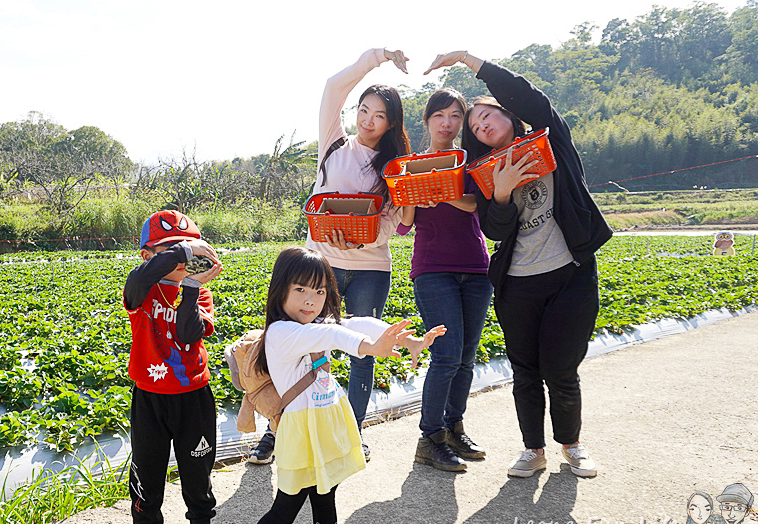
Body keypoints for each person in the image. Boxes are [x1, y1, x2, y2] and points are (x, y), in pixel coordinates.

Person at [423, 50, 612, 479]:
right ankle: (532, 449)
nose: (481, 125)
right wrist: (503, 192)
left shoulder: (552, 141)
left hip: (570, 274)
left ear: (509, 114)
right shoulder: (486, 172)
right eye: (474, 126)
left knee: (562, 370)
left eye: (486, 115)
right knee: (525, 371)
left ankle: (572, 445)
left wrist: (469, 61)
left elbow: (529, 96)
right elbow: (494, 229)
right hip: (518, 281)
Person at [231, 247, 444, 524]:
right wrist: (370, 347)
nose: (310, 300)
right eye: (300, 290)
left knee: (326, 498)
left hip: (327, 423)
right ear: (280, 290)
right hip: (300, 430)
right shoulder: (282, 332)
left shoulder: (316, 326)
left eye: (319, 292)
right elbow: (339, 338)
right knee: (286, 507)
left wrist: (401, 340)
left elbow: (354, 324)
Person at [249, 47, 412, 467]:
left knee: (363, 348)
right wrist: (376, 57)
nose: (367, 120)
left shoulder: (395, 165)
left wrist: (360, 240)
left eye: (378, 115)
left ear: (391, 123)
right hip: (319, 266)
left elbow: (393, 220)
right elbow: (332, 87)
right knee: (299, 346)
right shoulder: (334, 143)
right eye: (364, 109)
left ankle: (352, 434)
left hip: (372, 268)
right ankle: (276, 431)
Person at [123, 209, 234, 524]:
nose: (182, 259)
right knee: (148, 472)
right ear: (147, 255)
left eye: (187, 250)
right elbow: (134, 284)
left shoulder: (200, 292)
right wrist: (183, 250)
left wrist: (191, 283)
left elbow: (189, 334)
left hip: (193, 396)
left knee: (198, 471)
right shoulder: (142, 291)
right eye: (169, 251)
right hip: (150, 398)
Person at [397, 88, 493, 472]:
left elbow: (475, 204)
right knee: (446, 353)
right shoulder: (412, 165)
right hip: (433, 268)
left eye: (455, 116)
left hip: (476, 268)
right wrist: (412, 194)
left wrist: (441, 190)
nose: (447, 123)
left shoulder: (471, 162)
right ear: (427, 121)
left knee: (466, 356)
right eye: (440, 115)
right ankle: (430, 437)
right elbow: (405, 224)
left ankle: (455, 427)